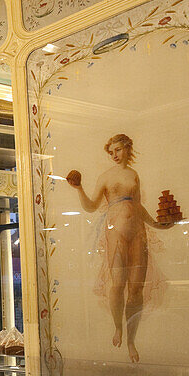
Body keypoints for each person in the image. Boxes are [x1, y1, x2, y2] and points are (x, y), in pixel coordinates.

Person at [68, 133, 171, 363]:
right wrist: (79, 188)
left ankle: (132, 340)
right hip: (116, 233)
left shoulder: (134, 175)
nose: (114, 155)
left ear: (127, 149)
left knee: (136, 289)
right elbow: (92, 206)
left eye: (118, 150)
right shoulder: (106, 177)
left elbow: (139, 206)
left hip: (138, 234)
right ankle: (118, 328)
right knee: (117, 284)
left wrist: (157, 224)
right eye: (111, 151)